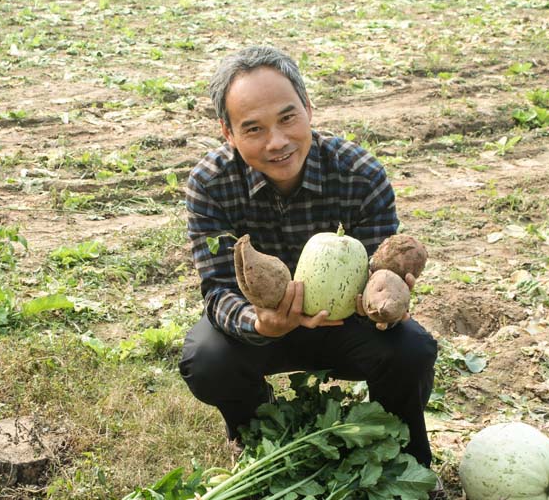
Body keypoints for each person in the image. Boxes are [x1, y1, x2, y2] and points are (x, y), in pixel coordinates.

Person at [179, 45, 441, 494]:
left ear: (308, 109)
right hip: (264, 332)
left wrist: (388, 301)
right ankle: (257, 432)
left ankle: (407, 460)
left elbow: (381, 271)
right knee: (207, 358)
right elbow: (219, 289)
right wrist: (260, 321)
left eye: (287, 118)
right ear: (228, 132)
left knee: (411, 349)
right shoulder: (210, 184)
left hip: (348, 325)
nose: (277, 141)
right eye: (253, 129)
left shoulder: (360, 174)